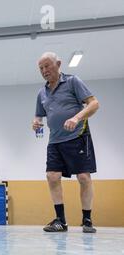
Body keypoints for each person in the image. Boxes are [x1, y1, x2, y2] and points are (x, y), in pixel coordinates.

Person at [33, 52, 99, 233]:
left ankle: (87, 219)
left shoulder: (72, 81)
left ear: (58, 64)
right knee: (52, 176)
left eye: (47, 66)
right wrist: (36, 121)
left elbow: (94, 103)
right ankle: (60, 221)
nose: (44, 71)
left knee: (84, 178)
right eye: (41, 68)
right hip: (55, 140)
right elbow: (39, 114)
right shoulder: (42, 92)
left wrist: (76, 118)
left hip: (78, 136)